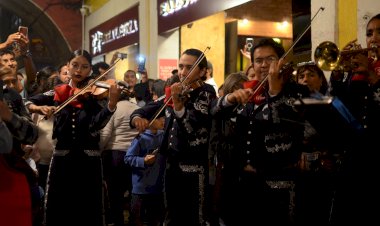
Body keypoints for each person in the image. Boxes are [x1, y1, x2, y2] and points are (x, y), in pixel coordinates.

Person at [211, 38, 309, 225]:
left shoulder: (297, 91)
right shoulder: (250, 91)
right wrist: (230, 98)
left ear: (281, 61)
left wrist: (275, 92)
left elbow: (284, 123)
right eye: (258, 60)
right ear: (252, 64)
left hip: (279, 185)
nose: (264, 65)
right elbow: (214, 111)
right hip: (243, 185)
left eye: (270, 59)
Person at [27, 49, 122, 226]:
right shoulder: (58, 92)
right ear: (68, 66)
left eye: (84, 67)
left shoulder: (96, 95)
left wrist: (111, 105)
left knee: (87, 207)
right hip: (62, 158)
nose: (79, 70)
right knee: (59, 206)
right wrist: (38, 109)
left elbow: (95, 126)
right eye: (75, 65)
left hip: (88, 160)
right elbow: (28, 102)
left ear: (90, 71)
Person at [131, 48, 217, 226]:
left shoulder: (206, 93)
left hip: (194, 166)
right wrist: (137, 117)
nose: (183, 72)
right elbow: (150, 107)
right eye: (180, 67)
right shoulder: (175, 91)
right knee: (172, 214)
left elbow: (194, 124)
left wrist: (178, 105)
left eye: (189, 67)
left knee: (195, 216)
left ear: (202, 71)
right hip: (170, 164)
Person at [327, 13, 380, 225]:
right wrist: (339, 75)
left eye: (379, 33)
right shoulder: (357, 75)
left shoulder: (369, 73)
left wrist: (373, 78)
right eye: (369, 33)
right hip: (357, 159)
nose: (373, 38)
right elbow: (340, 107)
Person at [208, 72, 248, 226]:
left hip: (244, 165)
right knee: (224, 205)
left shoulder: (249, 108)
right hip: (226, 164)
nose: (242, 92)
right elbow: (215, 139)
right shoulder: (222, 109)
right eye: (238, 88)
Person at [99, 87, 140, 226]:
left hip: (114, 156)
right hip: (134, 155)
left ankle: (118, 222)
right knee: (133, 193)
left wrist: (98, 150)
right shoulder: (137, 108)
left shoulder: (113, 108)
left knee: (115, 196)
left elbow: (105, 134)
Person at [124, 113, 166, 226]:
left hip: (158, 188)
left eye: (163, 117)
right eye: (159, 118)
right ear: (148, 121)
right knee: (137, 221)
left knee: (156, 220)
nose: (163, 120)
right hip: (141, 189)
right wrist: (143, 161)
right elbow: (128, 158)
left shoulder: (163, 136)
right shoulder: (140, 138)